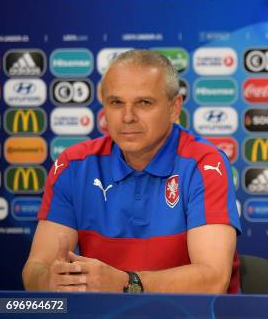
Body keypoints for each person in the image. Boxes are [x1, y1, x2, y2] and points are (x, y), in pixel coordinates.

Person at [22, 50, 241, 293]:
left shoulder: (204, 163)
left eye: (143, 103)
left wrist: (127, 283)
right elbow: (36, 267)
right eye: (116, 103)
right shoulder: (74, 165)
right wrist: (49, 281)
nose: (127, 117)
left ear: (174, 107)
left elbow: (213, 279)